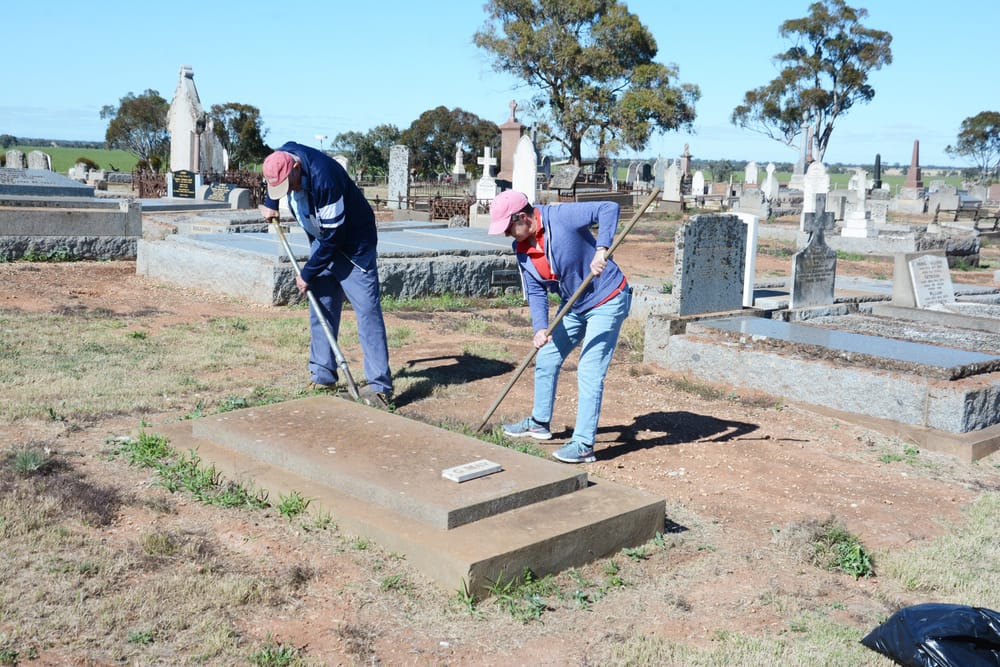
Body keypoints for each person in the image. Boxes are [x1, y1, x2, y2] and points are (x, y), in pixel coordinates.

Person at [488, 190, 631, 464]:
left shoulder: (560, 216)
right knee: (548, 356)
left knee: (589, 368)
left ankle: (583, 444)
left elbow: (609, 208)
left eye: (509, 227)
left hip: (608, 298)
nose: (507, 234)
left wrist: (602, 248)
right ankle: (539, 422)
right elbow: (535, 290)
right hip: (575, 305)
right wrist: (540, 328)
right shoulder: (522, 249)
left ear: (523, 217)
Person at [261, 143, 392, 407]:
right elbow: (275, 178)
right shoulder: (283, 156)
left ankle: (380, 387)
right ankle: (323, 375)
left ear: (296, 167)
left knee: (367, 312)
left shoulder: (325, 178)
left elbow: (334, 238)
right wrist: (270, 201)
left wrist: (308, 272)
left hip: (353, 246)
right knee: (321, 307)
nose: (287, 191)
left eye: (288, 184)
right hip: (323, 241)